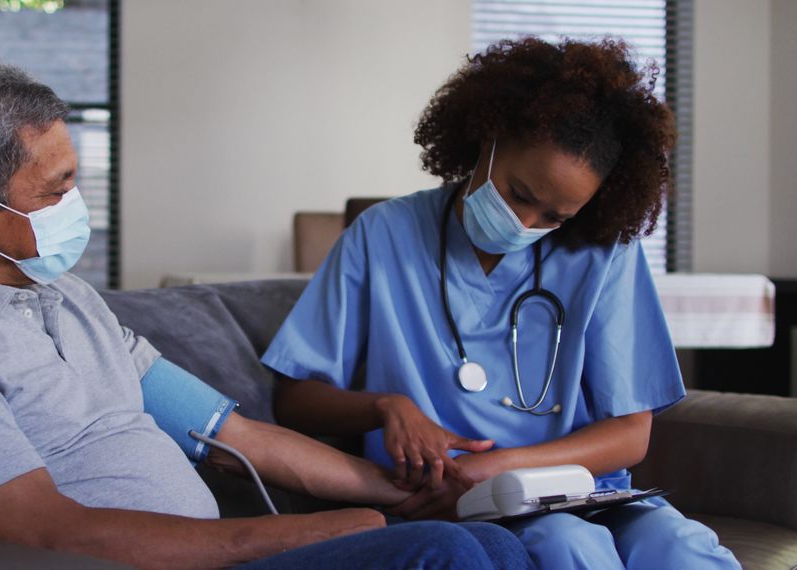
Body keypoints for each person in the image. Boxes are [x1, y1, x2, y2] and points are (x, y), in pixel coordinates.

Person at [0, 59, 533, 570]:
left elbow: (237, 434)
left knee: (496, 541)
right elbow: (43, 529)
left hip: (219, 551)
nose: (77, 204)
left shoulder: (64, 298)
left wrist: (404, 492)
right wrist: (308, 535)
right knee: (449, 556)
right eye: (57, 187)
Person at [262, 38, 740, 569]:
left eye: (555, 217)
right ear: (488, 136)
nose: (526, 225)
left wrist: (500, 469)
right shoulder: (383, 236)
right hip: (460, 505)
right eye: (518, 194)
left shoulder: (605, 252)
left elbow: (631, 433)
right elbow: (296, 395)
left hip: (579, 489)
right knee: (568, 546)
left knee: (685, 549)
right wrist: (386, 405)